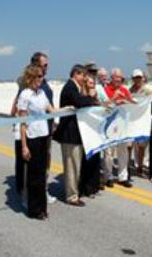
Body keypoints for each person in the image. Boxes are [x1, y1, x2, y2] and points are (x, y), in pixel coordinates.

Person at [10, 52, 56, 204]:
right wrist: (16, 123)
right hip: (30, 131)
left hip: (45, 129)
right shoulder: (27, 85)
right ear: (36, 65)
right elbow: (17, 105)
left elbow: (49, 106)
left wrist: (55, 120)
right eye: (45, 65)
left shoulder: (43, 85)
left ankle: (42, 191)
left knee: (44, 164)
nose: (47, 67)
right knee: (29, 166)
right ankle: (26, 194)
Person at [17, 65, 60, 220]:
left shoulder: (41, 93)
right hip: (32, 138)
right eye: (40, 76)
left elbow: (51, 109)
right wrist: (24, 146)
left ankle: (42, 207)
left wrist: (69, 109)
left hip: (43, 136)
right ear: (32, 77)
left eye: (42, 76)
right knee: (34, 176)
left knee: (42, 175)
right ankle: (34, 210)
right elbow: (22, 123)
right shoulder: (25, 95)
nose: (42, 79)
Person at [53, 65, 95, 206]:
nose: (84, 78)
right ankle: (71, 196)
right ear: (76, 74)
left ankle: (74, 191)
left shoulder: (75, 87)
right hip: (69, 134)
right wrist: (90, 96)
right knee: (72, 165)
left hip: (75, 133)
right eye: (83, 75)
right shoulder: (70, 87)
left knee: (76, 165)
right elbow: (80, 102)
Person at [104, 68, 136, 188]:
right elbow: (103, 106)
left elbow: (133, 104)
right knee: (109, 153)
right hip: (109, 126)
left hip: (122, 126)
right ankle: (108, 176)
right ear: (112, 77)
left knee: (123, 152)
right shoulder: (106, 89)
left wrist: (126, 99)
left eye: (120, 77)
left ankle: (123, 177)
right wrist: (114, 99)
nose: (118, 79)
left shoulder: (124, 89)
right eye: (116, 77)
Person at [79, 74, 102, 198]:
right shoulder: (84, 96)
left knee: (96, 160)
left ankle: (95, 186)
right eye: (90, 83)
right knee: (87, 161)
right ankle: (86, 188)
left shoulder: (95, 97)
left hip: (95, 131)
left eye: (94, 82)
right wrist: (90, 96)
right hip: (86, 132)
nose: (92, 84)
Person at [129, 69, 152, 178]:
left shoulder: (147, 89)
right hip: (133, 120)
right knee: (131, 145)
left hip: (143, 120)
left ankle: (140, 167)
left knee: (142, 146)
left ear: (142, 78)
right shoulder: (130, 90)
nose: (137, 79)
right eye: (135, 78)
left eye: (139, 77)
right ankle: (131, 165)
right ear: (133, 79)